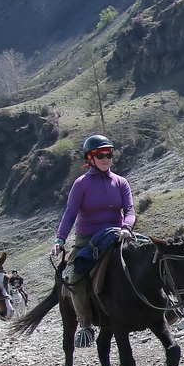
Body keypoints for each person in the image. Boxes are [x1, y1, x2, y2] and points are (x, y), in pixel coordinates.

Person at [51, 135, 135, 346]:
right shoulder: (81, 184)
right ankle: (85, 324)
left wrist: (126, 227)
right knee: (75, 277)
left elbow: (130, 210)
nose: (106, 158)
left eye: (109, 154)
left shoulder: (121, 182)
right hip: (88, 239)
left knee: (150, 256)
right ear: (90, 158)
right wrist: (60, 239)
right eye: (101, 155)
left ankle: (167, 307)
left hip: (117, 234)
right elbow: (70, 213)